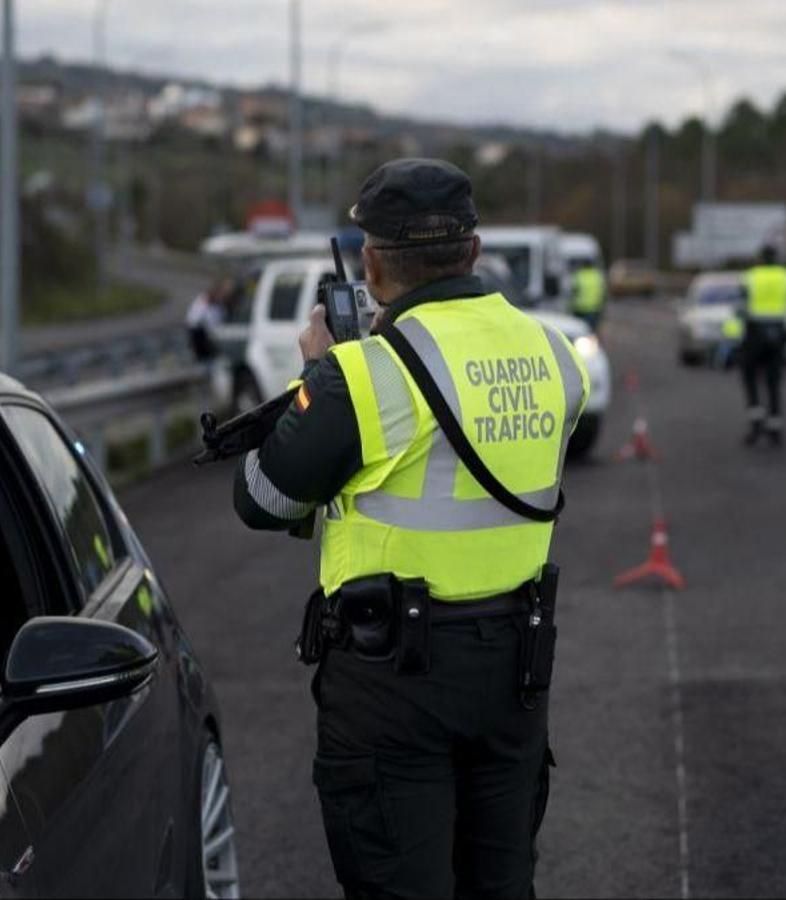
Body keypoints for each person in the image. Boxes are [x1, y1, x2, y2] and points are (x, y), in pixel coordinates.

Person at [230, 158, 588, 899]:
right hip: (514, 673)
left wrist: (314, 379)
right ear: (476, 251)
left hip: (391, 679)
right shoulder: (557, 357)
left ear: (369, 262)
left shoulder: (360, 375)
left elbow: (263, 499)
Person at [738, 246, 786, 446]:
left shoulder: (751, 276)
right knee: (774, 381)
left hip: (754, 333)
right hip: (779, 334)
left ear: (760, 259)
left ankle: (756, 421)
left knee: (750, 378)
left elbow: (740, 305)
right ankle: (775, 427)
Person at [186, 278, 231, 362]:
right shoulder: (204, 303)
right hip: (202, 338)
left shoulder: (220, 308)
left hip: (214, 338)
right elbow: (195, 321)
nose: (224, 296)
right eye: (222, 293)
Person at [570, 259, 607, 332]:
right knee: (591, 332)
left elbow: (573, 292)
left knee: (578, 331)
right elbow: (603, 293)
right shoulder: (597, 276)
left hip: (580, 309)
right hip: (594, 309)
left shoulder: (579, 275)